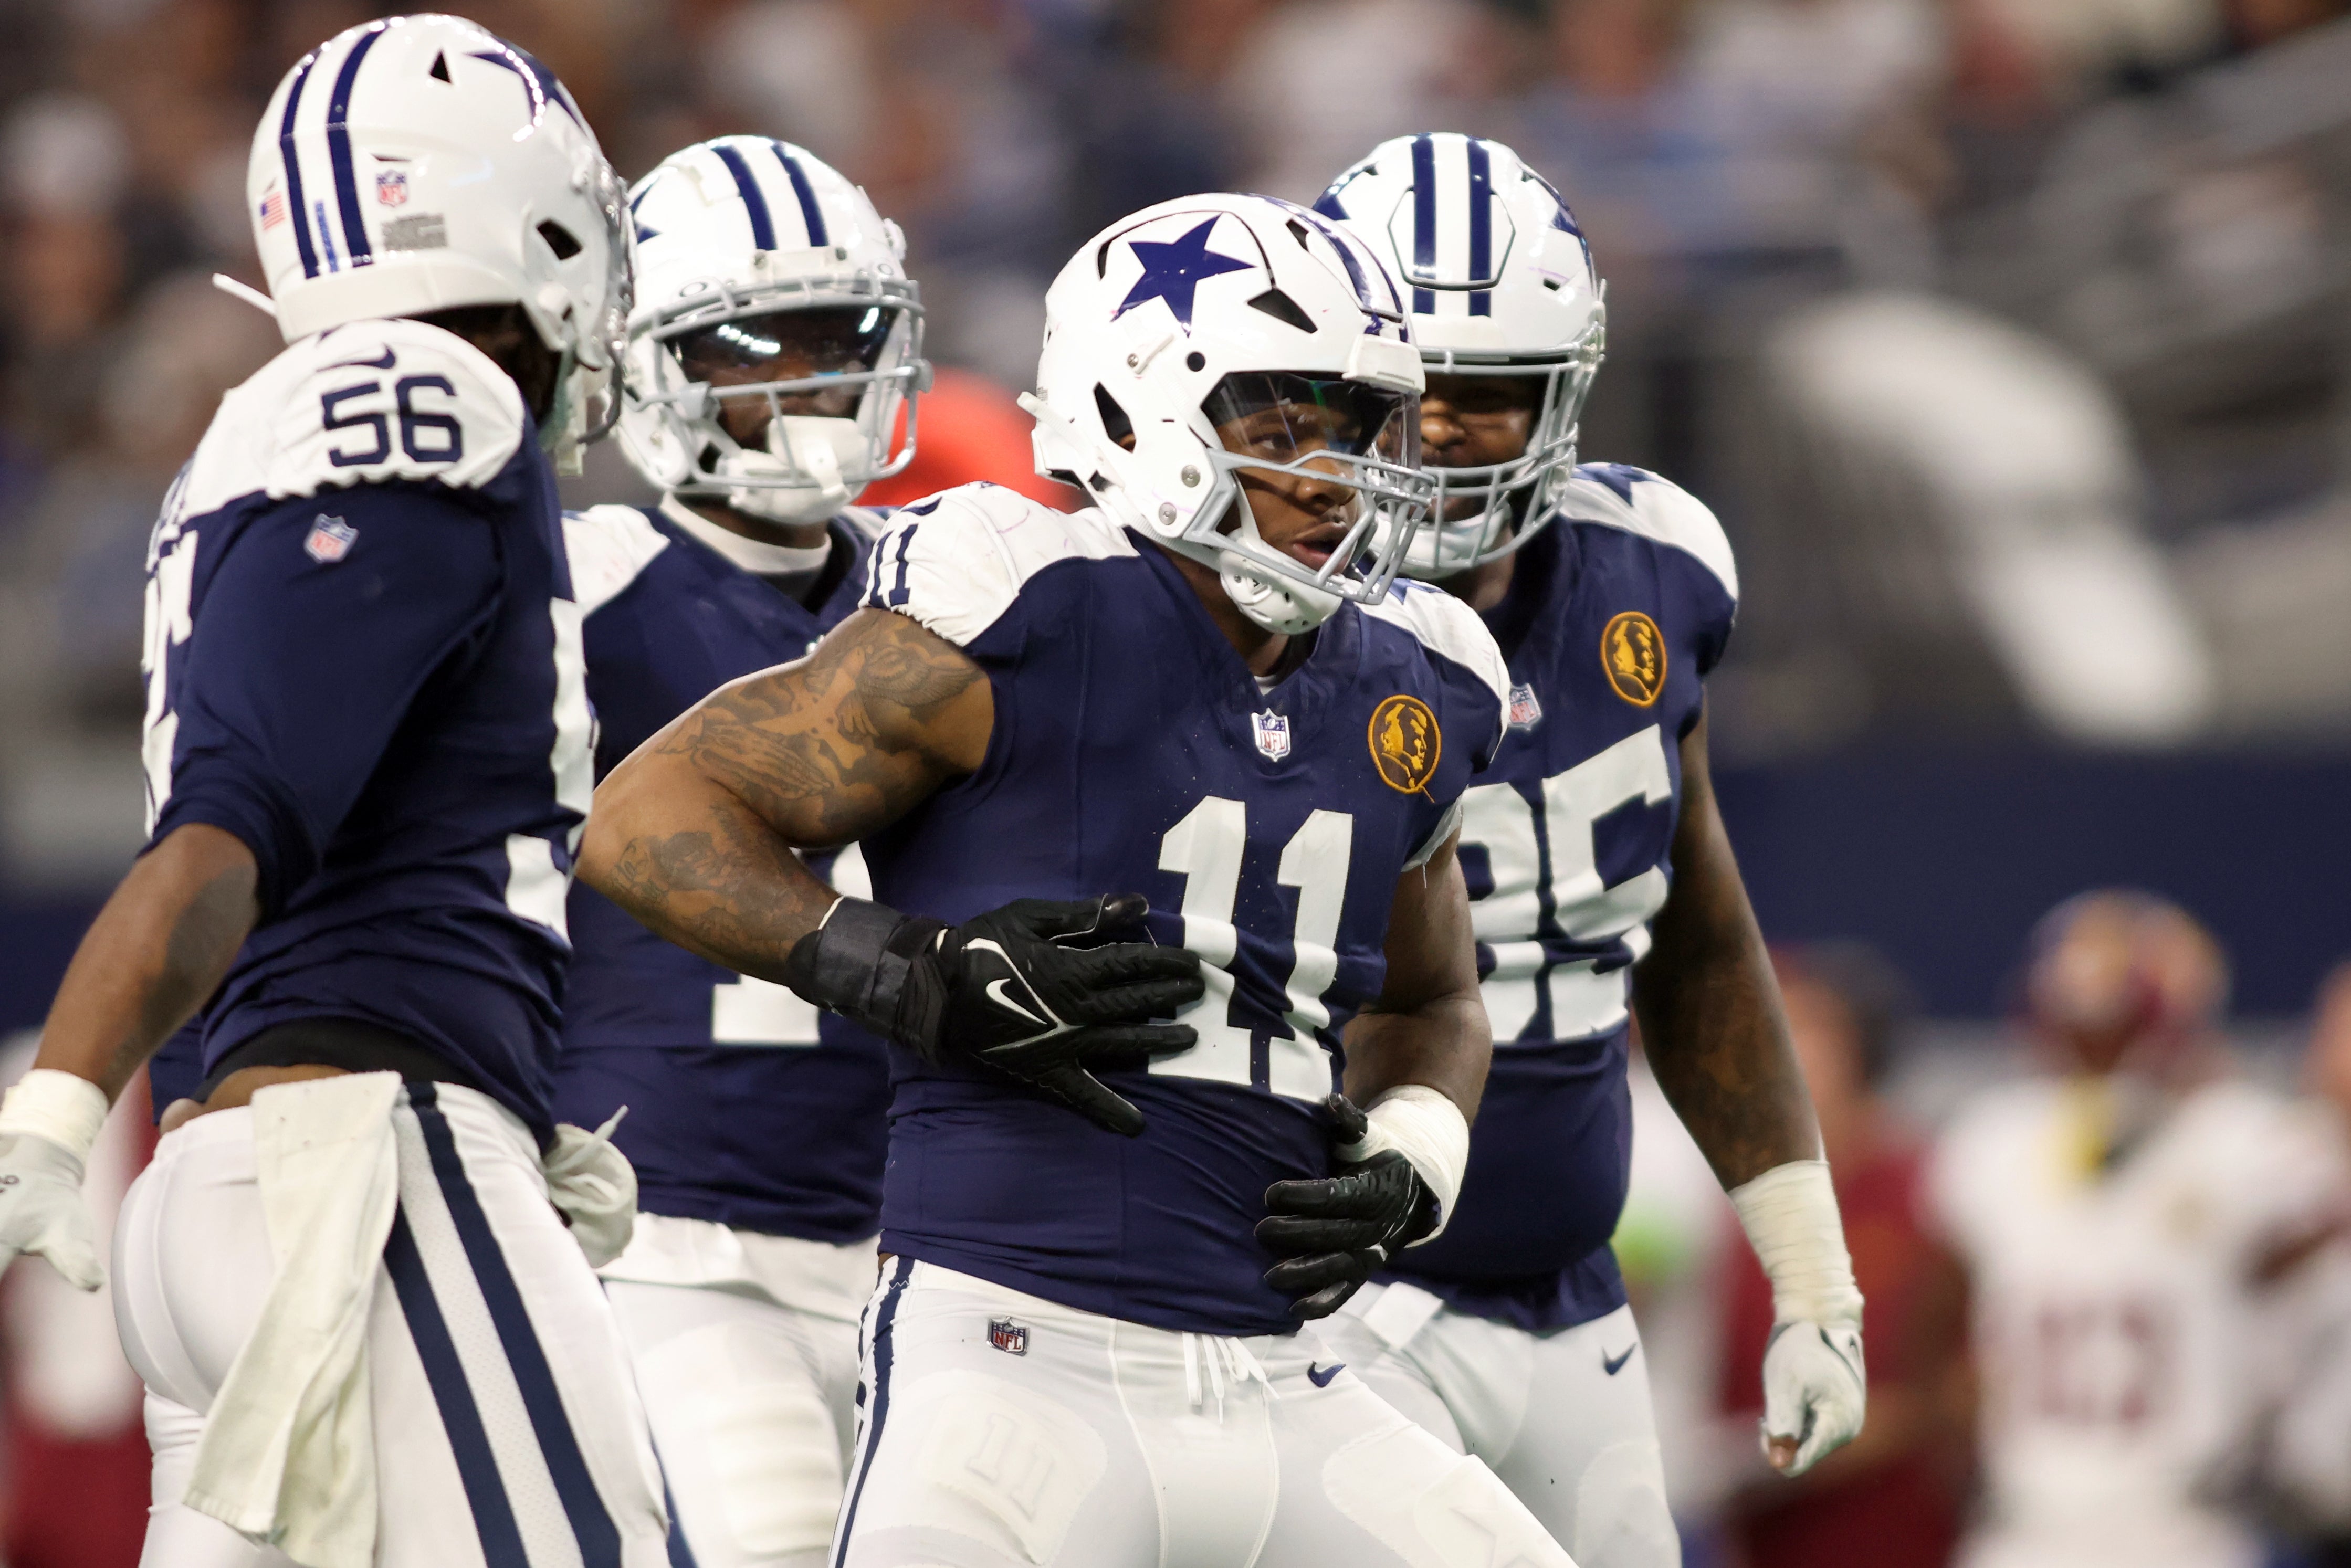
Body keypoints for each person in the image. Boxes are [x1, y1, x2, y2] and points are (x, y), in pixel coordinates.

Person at [579, 192, 1577, 1567]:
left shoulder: (1421, 674)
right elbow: (647, 819)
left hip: (1295, 1378)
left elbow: (1436, 995)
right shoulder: (1022, 601)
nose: (1329, 473)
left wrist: (1415, 1148)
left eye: (1351, 429)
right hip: (1013, 1355)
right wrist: (916, 977)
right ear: (1136, 414)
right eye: (1278, 427)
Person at [0, 17, 669, 1566]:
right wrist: (59, 1097)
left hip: (261, 1179)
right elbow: (234, 823)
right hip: (362, 1172)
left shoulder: (303, 422)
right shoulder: (422, 393)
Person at [1308, 133, 1866, 1568]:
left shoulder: (1653, 570)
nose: (1432, 428)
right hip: (1322, 1304)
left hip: (1571, 1301)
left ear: (1562, 392)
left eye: (1481, 391)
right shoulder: (1251, 603)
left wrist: (1808, 1277)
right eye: (1402, 388)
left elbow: (1695, 945)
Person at [553, 135, 917, 1568]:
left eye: (845, 341)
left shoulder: (942, 585)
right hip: (676, 1239)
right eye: (758, 345)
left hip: (923, 1247)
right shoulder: (585, 590)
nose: (811, 384)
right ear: (650, 366)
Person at [1932, 891, 2343, 1568]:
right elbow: (1936, 1334)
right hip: (2030, 1520)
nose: (2097, 1049)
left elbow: (2312, 1228)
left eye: (2116, 1019)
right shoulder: (1996, 1141)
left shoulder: (2240, 1140)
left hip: (2181, 1520)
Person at [1717, 944, 1968, 1568]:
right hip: (1763, 1539)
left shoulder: (1930, 1192)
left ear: (1860, 1049)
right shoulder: (1729, 1199)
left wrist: (1839, 1432)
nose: (1769, 1047)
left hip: (1898, 1537)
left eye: (1803, 1027)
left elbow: (1962, 1384)